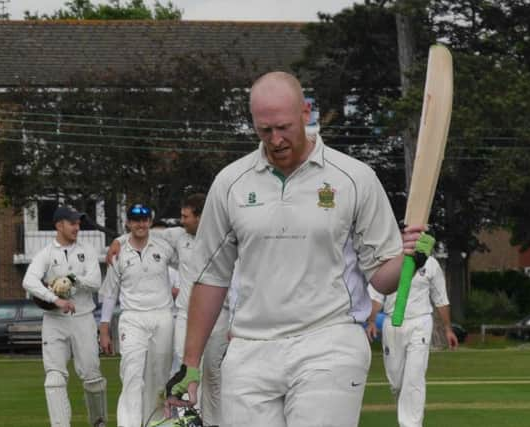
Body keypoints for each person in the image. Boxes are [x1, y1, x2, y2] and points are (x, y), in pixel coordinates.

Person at [165, 71, 431, 427]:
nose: (275, 140)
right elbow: (211, 278)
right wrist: (190, 364)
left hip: (330, 340)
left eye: (284, 127)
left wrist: (412, 257)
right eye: (264, 130)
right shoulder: (231, 183)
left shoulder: (354, 178)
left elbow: (382, 278)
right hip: (250, 347)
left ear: (305, 113)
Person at [107, 194, 228, 426]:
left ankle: (214, 423)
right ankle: (190, 422)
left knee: (213, 376)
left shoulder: (223, 235)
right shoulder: (176, 236)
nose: (181, 221)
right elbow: (139, 234)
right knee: (188, 375)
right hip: (185, 315)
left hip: (218, 316)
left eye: (185, 216)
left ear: (201, 216)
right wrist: (117, 242)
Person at [22, 205, 107, 427]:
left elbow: (96, 282)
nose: (77, 227)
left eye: (78, 223)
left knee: (93, 377)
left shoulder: (87, 250)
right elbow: (28, 281)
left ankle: (98, 423)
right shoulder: (46, 253)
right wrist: (55, 299)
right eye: (73, 223)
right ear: (59, 225)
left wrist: (73, 279)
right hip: (55, 321)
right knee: (54, 378)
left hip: (83, 318)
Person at [98, 203, 176, 427]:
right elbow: (110, 294)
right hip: (132, 318)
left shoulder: (163, 246)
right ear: (128, 223)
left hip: (162, 316)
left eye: (144, 220)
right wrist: (104, 328)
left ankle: (155, 422)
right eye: (135, 220)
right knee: (131, 375)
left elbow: (188, 264)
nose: (140, 224)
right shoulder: (118, 253)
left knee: (159, 377)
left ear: (150, 222)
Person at [366, 256, 459, 427]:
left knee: (414, 378)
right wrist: (371, 321)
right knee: (397, 383)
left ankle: (410, 424)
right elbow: (377, 295)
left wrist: (448, 329)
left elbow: (441, 298)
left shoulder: (430, 264)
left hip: (420, 323)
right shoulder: (389, 261)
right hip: (392, 323)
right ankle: (405, 417)